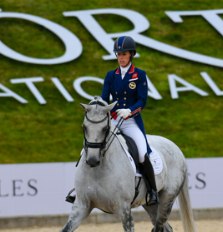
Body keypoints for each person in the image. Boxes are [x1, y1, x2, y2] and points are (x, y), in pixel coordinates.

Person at [66, 36, 158, 206]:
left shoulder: (139, 75)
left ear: (131, 55)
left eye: (124, 54)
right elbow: (103, 99)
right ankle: (78, 190)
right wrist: (101, 109)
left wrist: (130, 111)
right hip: (113, 121)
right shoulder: (110, 76)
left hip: (130, 121)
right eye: (118, 54)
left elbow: (142, 100)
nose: (120, 57)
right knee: (89, 147)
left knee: (141, 152)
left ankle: (152, 190)